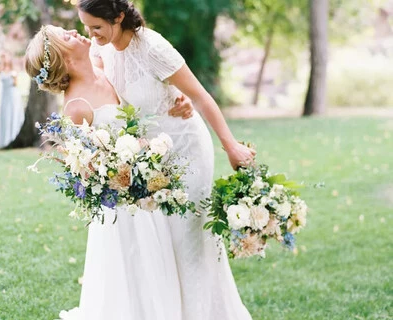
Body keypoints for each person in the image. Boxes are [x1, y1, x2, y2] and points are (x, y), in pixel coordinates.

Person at [25, 22, 253, 320]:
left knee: (163, 268)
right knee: (139, 280)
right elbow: (84, 170)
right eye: (65, 36)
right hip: (125, 210)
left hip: (149, 196)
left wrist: (177, 97)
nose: (75, 31)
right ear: (64, 58)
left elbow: (141, 84)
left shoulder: (99, 61)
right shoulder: (76, 107)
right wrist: (123, 171)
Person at [0, 51, 24, 148]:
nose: (5, 59)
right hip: (4, 95)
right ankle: (3, 140)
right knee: (4, 116)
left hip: (12, 94)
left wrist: (13, 76)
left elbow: (15, 83)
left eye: (7, 57)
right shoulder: (0, 69)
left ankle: (12, 138)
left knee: (13, 114)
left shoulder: (14, 70)